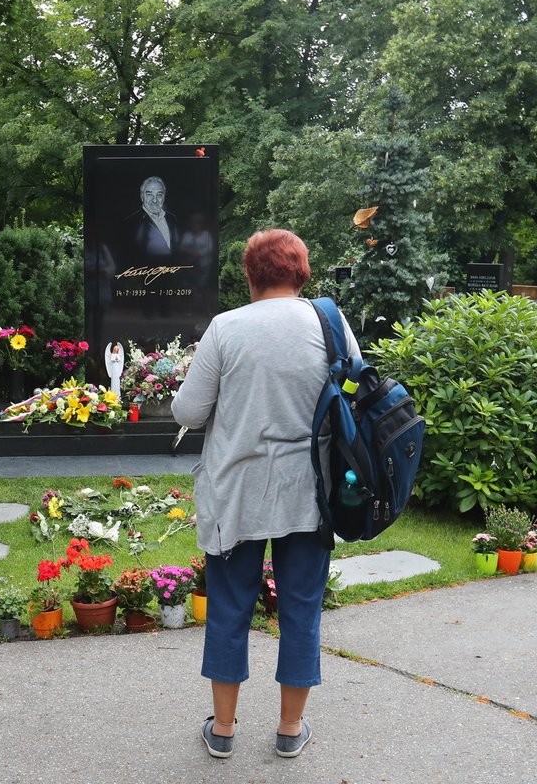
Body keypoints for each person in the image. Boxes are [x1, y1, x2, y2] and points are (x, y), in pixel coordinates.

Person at [171, 228, 360, 760]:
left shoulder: (226, 328)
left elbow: (187, 412)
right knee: (301, 608)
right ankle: (289, 729)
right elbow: (353, 390)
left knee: (230, 607)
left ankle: (225, 731)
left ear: (250, 274)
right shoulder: (330, 322)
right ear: (301, 272)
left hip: (238, 493)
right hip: (311, 493)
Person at [124, 175, 180, 266]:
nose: (155, 201)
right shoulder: (141, 222)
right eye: (149, 194)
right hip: (149, 261)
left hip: (168, 261)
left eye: (159, 195)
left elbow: (176, 240)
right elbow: (138, 241)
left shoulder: (171, 221)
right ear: (142, 197)